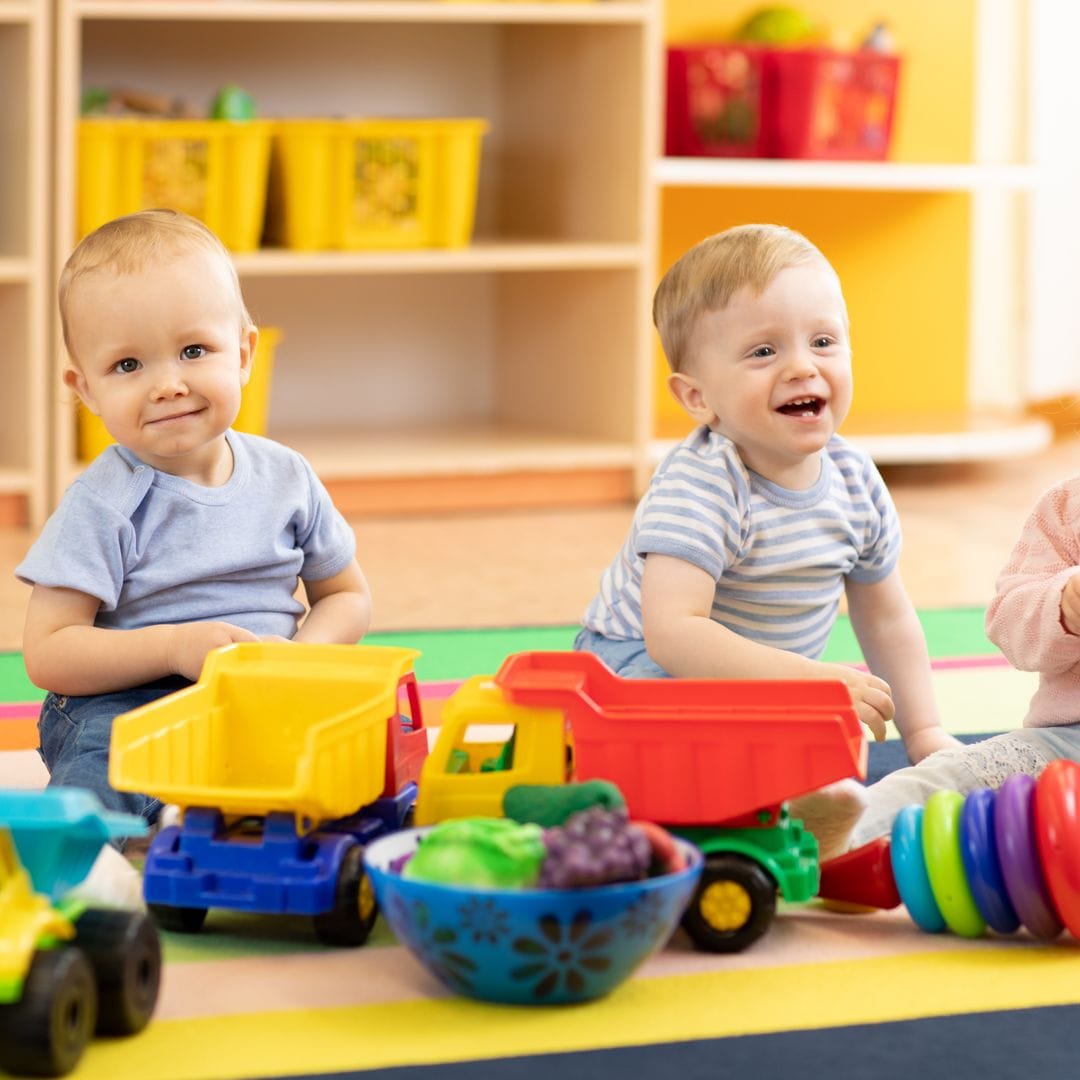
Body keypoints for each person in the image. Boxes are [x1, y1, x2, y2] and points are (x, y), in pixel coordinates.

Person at [17, 209, 372, 903]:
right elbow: (49, 653)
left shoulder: (287, 477)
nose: (168, 384)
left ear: (243, 352)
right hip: (123, 704)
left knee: (349, 772)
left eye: (192, 352)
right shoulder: (104, 503)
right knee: (99, 791)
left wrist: (299, 659)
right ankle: (60, 886)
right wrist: (174, 648)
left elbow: (345, 596)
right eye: (127, 364)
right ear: (85, 390)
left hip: (261, 694)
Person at [574, 223, 958, 840]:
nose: (803, 367)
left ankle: (791, 800)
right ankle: (739, 807)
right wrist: (811, 682)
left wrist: (924, 732)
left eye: (824, 341)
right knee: (679, 747)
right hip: (639, 669)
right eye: (764, 351)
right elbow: (673, 633)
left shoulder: (855, 481)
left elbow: (887, 619)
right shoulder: (701, 485)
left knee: (798, 736)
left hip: (765, 680)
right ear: (698, 397)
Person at [813, 477, 1080, 860]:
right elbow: (1009, 626)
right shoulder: (1066, 506)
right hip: (1066, 745)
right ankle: (838, 836)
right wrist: (1064, 606)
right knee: (952, 775)